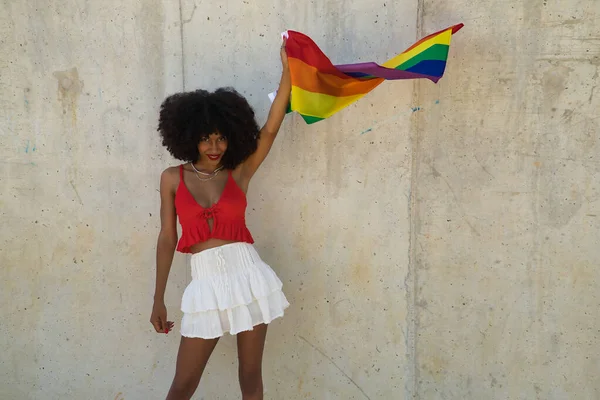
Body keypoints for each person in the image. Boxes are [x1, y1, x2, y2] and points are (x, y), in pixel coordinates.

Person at [151, 39, 291, 400]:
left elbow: (271, 130)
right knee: (183, 384)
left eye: (221, 139)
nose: (214, 147)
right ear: (189, 139)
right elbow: (167, 238)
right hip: (205, 282)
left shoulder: (239, 173)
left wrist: (289, 70)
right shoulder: (171, 178)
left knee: (250, 376)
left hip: (248, 274)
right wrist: (158, 298)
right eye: (205, 139)